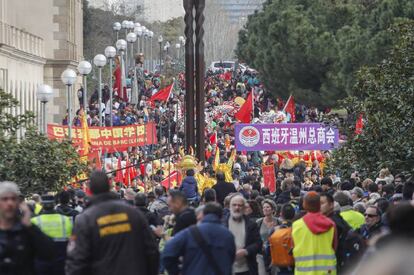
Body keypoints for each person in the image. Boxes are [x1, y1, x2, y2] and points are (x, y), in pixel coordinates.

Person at [65, 171, 159, 275]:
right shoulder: (133, 213)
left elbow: (77, 261)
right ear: (109, 185)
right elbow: (152, 251)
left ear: (90, 189)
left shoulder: (85, 219)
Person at [162, 202, 236, 275]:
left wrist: (176, 272)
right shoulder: (228, 235)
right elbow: (231, 258)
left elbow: (168, 251)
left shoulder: (190, 232)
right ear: (220, 216)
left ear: (203, 214)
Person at [0, 181, 55, 275]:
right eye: (5, 199)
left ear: (18, 203)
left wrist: (29, 226)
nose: (10, 203)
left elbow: (49, 253)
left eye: (13, 199)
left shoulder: (27, 229)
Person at [292, 191, 337, 275]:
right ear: (319, 205)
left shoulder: (296, 225)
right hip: (327, 271)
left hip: (303, 271)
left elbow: (293, 247)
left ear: (304, 205)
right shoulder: (331, 224)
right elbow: (334, 247)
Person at [31, 194, 73, 275]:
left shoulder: (34, 221)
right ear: (54, 205)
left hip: (41, 267)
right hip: (61, 265)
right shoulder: (65, 220)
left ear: (42, 205)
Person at [225, 194, 262, 275]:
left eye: (240, 205)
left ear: (244, 208)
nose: (237, 208)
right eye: (234, 205)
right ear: (229, 207)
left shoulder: (251, 224)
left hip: (247, 269)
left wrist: (246, 251)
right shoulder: (223, 224)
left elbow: (258, 243)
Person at [268, 203, 296, 275]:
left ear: (281, 214)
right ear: (294, 214)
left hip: (280, 268)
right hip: (296, 266)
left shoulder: (274, 230)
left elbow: (268, 249)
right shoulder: (297, 229)